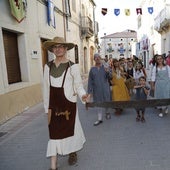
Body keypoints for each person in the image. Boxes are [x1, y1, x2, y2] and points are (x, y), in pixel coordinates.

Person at [43, 37, 88, 170]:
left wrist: (83, 95)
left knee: (71, 130)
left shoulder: (72, 66)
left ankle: (72, 152)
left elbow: (78, 86)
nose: (58, 49)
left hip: (69, 105)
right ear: (52, 50)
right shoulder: (48, 66)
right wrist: (47, 109)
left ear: (65, 48)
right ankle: (53, 166)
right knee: (54, 133)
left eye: (61, 46)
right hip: (53, 106)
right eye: (55, 47)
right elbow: (46, 88)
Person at [87, 53, 112, 126]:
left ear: (101, 59)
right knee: (98, 103)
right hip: (96, 90)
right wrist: (89, 92)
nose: (97, 59)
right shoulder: (92, 69)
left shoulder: (105, 67)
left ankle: (107, 112)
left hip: (105, 88)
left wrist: (108, 72)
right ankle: (99, 118)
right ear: (94, 59)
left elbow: (110, 77)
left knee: (106, 101)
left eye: (98, 57)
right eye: (96, 58)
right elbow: (90, 81)